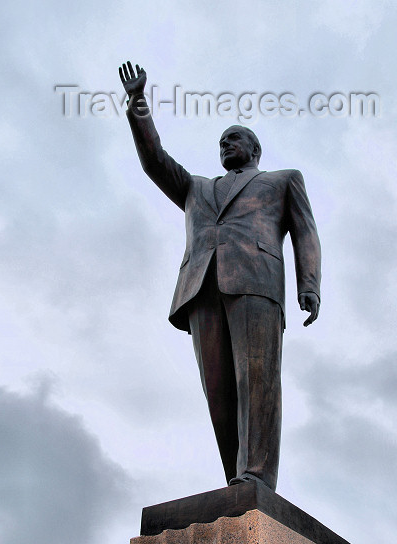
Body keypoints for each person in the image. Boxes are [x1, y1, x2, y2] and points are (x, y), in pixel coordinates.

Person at [119, 62, 321, 492]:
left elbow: (306, 231)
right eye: (221, 141)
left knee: (258, 380)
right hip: (201, 288)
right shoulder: (195, 187)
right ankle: (238, 477)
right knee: (218, 393)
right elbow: (154, 161)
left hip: (257, 281)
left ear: (255, 148)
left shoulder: (283, 181)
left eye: (234, 138)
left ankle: (258, 475)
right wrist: (138, 102)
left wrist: (310, 284)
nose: (225, 144)